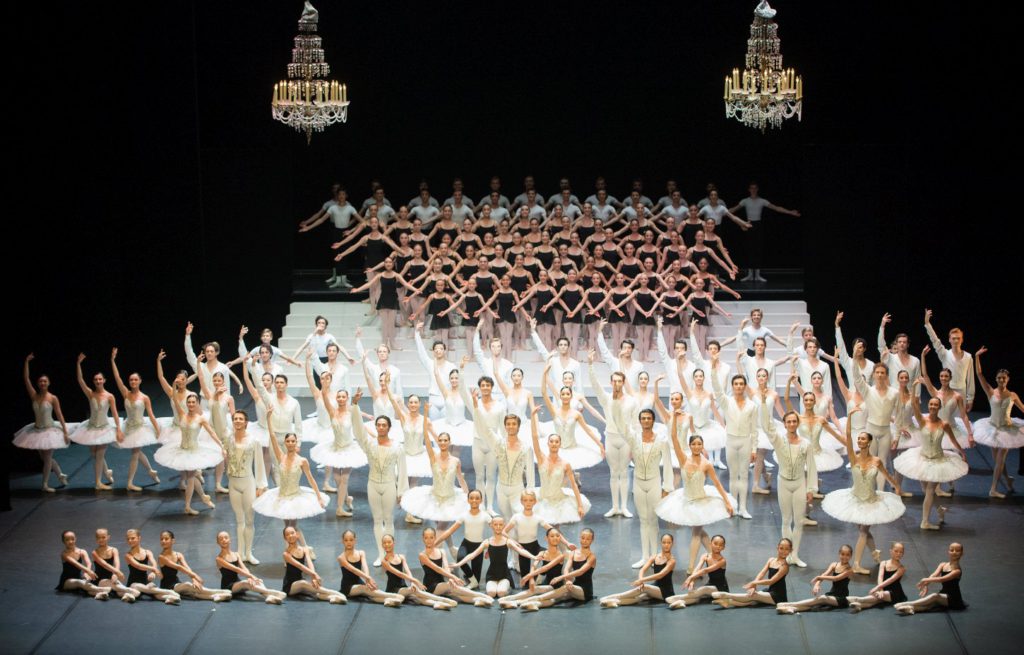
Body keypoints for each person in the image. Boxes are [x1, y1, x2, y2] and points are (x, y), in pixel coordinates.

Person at [821, 409, 905, 574]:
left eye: (863, 439)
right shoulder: (854, 457)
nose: (859, 441)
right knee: (863, 530)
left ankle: (857, 563)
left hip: (871, 501)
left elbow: (886, 475)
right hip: (855, 499)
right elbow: (848, 437)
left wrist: (896, 486)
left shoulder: (876, 461)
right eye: (858, 438)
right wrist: (850, 417)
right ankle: (875, 552)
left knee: (863, 531)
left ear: (868, 442)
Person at [657, 420, 735, 574]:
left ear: (702, 446)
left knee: (696, 533)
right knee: (698, 531)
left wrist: (727, 502)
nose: (697, 447)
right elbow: (674, 438)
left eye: (700, 444)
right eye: (694, 444)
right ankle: (713, 558)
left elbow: (718, 484)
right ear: (690, 445)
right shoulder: (683, 459)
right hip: (686, 500)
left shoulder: (707, 464)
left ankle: (691, 568)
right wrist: (673, 417)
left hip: (701, 501)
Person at [252, 411, 328, 552]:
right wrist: (268, 418)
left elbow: (311, 480)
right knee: (287, 528)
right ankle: (295, 549)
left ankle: (302, 549)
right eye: (288, 441)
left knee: (292, 527)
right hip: (282, 496)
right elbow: (273, 436)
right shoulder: (281, 457)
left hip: (294, 497)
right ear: (285, 443)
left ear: (296, 442)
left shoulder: (302, 461)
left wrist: (319, 497)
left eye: (293, 441)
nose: (290, 443)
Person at [893, 397, 968, 529]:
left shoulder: (944, 424)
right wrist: (915, 387)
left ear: (939, 407)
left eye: (936, 405)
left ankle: (925, 522)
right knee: (926, 490)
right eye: (931, 404)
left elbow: (953, 439)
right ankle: (939, 510)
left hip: (938, 460)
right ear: (928, 406)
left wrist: (962, 452)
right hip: (922, 459)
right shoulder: (922, 420)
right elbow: (915, 405)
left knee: (929, 490)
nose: (933, 406)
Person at [761, 392, 815, 568]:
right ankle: (787, 555)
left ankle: (795, 555)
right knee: (786, 520)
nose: (791, 424)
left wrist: (810, 490)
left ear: (797, 423)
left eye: (794, 421)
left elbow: (812, 467)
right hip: (783, 482)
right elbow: (766, 426)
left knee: (798, 521)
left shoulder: (806, 443)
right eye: (788, 421)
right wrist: (763, 403)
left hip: (799, 483)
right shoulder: (778, 440)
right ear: (784, 424)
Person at [153, 387, 223, 515]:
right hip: (182, 450)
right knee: (192, 476)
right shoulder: (182, 414)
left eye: (193, 402)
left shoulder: (200, 419)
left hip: (193, 451)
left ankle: (187, 506)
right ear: (186, 404)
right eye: (189, 402)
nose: (191, 404)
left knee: (191, 477)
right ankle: (203, 497)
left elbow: (212, 433)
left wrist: (221, 446)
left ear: (197, 404)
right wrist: (174, 386)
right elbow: (174, 398)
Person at [353, 400, 408, 566]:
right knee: (377, 520)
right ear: (376, 427)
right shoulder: (369, 445)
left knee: (389, 519)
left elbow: (403, 470)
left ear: (389, 427)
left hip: (390, 484)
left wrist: (401, 492)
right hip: (373, 484)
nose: (381, 427)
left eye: (384, 425)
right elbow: (358, 431)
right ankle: (381, 554)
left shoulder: (397, 447)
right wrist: (355, 406)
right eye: (379, 425)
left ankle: (390, 554)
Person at [589, 352, 638, 517]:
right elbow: (595, 385)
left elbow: (635, 424)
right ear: (611, 382)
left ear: (623, 382)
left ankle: (624, 507)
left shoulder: (632, 401)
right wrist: (590, 366)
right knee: (613, 472)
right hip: (611, 438)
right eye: (614, 381)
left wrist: (634, 445)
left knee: (623, 472)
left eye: (620, 381)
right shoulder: (606, 399)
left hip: (625, 440)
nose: (617, 383)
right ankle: (615, 506)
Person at [15, 354, 72, 491]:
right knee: (45, 458)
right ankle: (60, 474)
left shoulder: (53, 398)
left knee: (47, 459)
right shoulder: (34, 396)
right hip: (36, 430)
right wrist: (26, 362)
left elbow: (59, 414)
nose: (42, 383)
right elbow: (26, 378)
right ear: (38, 384)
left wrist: (65, 431)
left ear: (49, 383)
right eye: (40, 381)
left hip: (49, 430)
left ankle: (45, 484)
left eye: (45, 381)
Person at [309, 385, 368, 518]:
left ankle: (339, 508)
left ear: (347, 398)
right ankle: (347, 499)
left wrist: (355, 401)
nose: (341, 399)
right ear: (336, 398)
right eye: (339, 397)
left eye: (343, 397)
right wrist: (323, 385)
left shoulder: (351, 412)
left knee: (345, 478)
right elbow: (324, 397)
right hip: (335, 449)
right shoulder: (332, 412)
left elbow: (360, 422)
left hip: (349, 449)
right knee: (337, 479)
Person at [399, 429, 470, 540]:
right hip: (434, 499)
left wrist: (468, 496)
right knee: (440, 528)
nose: (442, 442)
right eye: (440, 440)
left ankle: (437, 552)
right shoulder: (433, 457)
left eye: (445, 440)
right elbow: (427, 440)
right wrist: (426, 414)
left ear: (449, 442)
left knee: (440, 529)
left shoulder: (456, 461)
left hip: (450, 499)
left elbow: (461, 480)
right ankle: (448, 549)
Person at [709, 362, 758, 519]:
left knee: (743, 475)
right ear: (732, 386)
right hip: (731, 441)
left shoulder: (752, 405)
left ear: (744, 386)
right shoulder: (726, 401)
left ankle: (743, 508)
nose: (738, 386)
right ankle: (733, 506)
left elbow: (754, 429)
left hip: (745, 441)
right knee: (733, 475)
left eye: (741, 384)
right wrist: (712, 369)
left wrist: (754, 449)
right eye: (736, 384)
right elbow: (717, 389)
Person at [973, 348, 1024, 497]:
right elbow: (979, 374)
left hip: (1007, 430)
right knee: (998, 462)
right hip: (992, 429)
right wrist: (977, 357)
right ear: (996, 379)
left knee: (1000, 461)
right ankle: (1008, 479)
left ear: (1008, 379)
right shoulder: (990, 391)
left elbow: (1022, 408)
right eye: (999, 378)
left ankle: (993, 489)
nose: (1001, 380)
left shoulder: (1013, 395)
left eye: (1004, 378)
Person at [108, 349, 161, 491]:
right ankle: (151, 471)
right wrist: (113, 360)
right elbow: (117, 377)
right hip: (128, 426)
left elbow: (151, 414)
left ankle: (130, 482)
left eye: (135, 379)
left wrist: (157, 429)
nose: (133, 381)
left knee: (135, 453)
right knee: (137, 452)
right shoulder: (125, 393)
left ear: (140, 381)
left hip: (139, 428)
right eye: (131, 380)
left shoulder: (145, 398)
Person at [69, 353, 122, 490]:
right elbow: (80, 380)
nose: (98, 381)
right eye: (95, 379)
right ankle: (106, 472)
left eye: (100, 379)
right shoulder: (90, 393)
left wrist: (118, 429)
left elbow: (115, 413)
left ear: (104, 380)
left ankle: (98, 482)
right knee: (94, 454)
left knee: (99, 455)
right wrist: (78, 364)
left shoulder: (110, 396)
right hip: (91, 428)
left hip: (104, 428)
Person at [539, 362, 605, 471]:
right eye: (563, 395)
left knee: (569, 471)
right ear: (560, 396)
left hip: (573, 430)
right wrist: (545, 372)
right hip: (559, 433)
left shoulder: (577, 407)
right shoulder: (554, 410)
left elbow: (588, 430)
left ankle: (573, 477)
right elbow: (544, 392)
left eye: (567, 395)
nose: (565, 396)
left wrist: (600, 445)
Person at [530, 407, 590, 525]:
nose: (553, 444)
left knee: (556, 530)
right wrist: (533, 417)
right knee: (545, 528)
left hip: (558, 501)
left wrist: (580, 505)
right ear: (548, 444)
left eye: (556, 442)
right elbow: (534, 437)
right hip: (542, 500)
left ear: (559, 444)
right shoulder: (541, 458)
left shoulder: (565, 464)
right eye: (551, 441)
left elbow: (573, 485)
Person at [729, 183, 800, 282]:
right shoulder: (745, 201)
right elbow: (733, 209)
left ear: (757, 189)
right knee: (750, 249)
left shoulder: (762, 201)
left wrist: (790, 212)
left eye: (755, 188)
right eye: (751, 188)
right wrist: (720, 212)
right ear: (749, 189)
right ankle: (750, 274)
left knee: (758, 249)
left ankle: (757, 275)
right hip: (748, 225)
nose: (753, 190)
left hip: (758, 225)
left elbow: (776, 207)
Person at [223, 409, 268, 563]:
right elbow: (228, 460)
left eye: (241, 419)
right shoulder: (229, 439)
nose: (237, 421)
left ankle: (248, 553)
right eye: (235, 419)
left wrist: (261, 485)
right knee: (239, 519)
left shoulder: (253, 441)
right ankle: (240, 553)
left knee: (249, 520)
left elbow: (260, 463)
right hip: (233, 482)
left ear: (246, 422)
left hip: (248, 482)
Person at [515, 527, 597, 612]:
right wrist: (568, 579)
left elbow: (580, 571)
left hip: (585, 591)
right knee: (557, 598)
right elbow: (566, 569)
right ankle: (535, 604)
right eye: (583, 538)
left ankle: (532, 599)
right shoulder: (573, 553)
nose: (585, 541)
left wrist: (561, 578)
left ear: (592, 540)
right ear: (579, 538)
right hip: (573, 586)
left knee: (565, 587)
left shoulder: (592, 557)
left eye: (588, 539)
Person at [453, 515, 536, 598]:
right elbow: (472, 555)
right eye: (496, 524)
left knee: (501, 593)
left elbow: (521, 551)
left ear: (504, 525)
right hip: (491, 574)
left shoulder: (507, 541)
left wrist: (533, 557)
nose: (498, 527)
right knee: (491, 593)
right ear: (491, 525)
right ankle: (497, 587)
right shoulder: (487, 542)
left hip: (504, 574)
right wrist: (458, 564)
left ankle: (508, 587)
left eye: (500, 525)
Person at [417, 527, 494, 606]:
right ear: (423, 539)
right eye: (426, 538)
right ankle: (482, 595)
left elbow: (446, 568)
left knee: (456, 593)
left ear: (435, 538)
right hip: (430, 586)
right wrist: (453, 577)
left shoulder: (441, 551)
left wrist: (450, 579)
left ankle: (478, 600)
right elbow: (438, 569)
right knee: (452, 587)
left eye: (431, 537)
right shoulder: (422, 555)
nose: (429, 540)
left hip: (441, 582)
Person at [379, 533, 456, 610]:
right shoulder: (384, 561)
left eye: (389, 542)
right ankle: (443, 600)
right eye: (384, 543)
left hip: (403, 588)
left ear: (394, 543)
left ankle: (436, 604)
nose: (387, 545)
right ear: (382, 545)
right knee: (416, 591)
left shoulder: (401, 557)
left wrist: (412, 583)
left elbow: (408, 571)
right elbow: (399, 574)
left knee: (418, 598)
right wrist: (415, 580)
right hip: (393, 589)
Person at [600, 533, 677, 607]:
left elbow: (660, 575)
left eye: (669, 543)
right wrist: (641, 580)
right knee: (639, 597)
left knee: (645, 588)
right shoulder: (655, 557)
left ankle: (607, 598)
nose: (666, 545)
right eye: (664, 542)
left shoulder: (672, 561)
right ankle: (612, 602)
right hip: (656, 586)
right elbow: (642, 570)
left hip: (666, 591)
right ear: (661, 543)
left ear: (672, 544)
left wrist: (642, 580)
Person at [499, 526, 567, 609]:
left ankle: (516, 602)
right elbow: (533, 565)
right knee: (534, 590)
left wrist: (528, 576)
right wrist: (531, 580)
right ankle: (510, 599)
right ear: (546, 538)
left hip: (556, 585)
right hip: (547, 583)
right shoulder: (542, 553)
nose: (555, 538)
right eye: (552, 536)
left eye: (557, 536)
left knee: (549, 599)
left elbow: (546, 568)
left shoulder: (561, 555)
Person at [711, 538, 791, 608]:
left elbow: (771, 581)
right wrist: (754, 585)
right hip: (770, 590)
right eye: (781, 548)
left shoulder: (784, 567)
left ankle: (726, 595)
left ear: (790, 550)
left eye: (787, 549)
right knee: (752, 600)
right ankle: (728, 602)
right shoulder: (771, 560)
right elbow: (761, 573)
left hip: (778, 596)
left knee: (753, 596)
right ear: (777, 548)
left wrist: (753, 582)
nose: (783, 551)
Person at [776, 545, 854, 614]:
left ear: (851, 556)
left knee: (821, 598)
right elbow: (824, 574)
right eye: (842, 554)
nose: (844, 557)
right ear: (839, 554)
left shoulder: (849, 570)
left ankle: (789, 604)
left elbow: (836, 578)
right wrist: (817, 584)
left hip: (841, 599)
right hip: (832, 594)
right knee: (814, 604)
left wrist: (818, 577)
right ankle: (792, 609)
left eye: (847, 555)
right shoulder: (834, 564)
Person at [157, 530, 232, 602]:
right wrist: (195, 576)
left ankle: (214, 597)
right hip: (167, 586)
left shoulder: (178, 555)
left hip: (177, 583)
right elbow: (178, 567)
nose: (163, 541)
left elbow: (187, 568)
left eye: (166, 539)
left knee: (193, 591)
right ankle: (221, 592)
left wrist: (194, 580)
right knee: (187, 585)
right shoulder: (161, 557)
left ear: (173, 541)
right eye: (161, 539)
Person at [894, 542, 967, 615]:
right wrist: (926, 584)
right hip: (944, 594)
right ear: (948, 551)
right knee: (929, 606)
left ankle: (907, 604)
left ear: (961, 553)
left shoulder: (957, 571)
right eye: (952, 550)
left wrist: (925, 579)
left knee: (935, 596)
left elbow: (941, 579)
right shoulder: (943, 564)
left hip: (953, 599)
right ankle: (911, 609)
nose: (954, 552)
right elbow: (933, 575)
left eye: (957, 551)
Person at [336, 530, 404, 606]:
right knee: (365, 589)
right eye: (346, 540)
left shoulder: (361, 553)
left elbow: (365, 566)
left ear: (355, 540)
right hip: (348, 587)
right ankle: (395, 596)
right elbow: (353, 570)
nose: (348, 542)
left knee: (372, 592)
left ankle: (388, 600)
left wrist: (367, 580)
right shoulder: (341, 557)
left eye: (351, 540)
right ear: (342, 541)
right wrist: (368, 578)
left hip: (359, 582)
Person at [280, 526, 347, 603]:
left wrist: (313, 578)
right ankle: (337, 594)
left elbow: (310, 563)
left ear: (297, 534)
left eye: (292, 533)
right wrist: (315, 574)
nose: (290, 536)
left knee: (316, 591)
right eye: (287, 534)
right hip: (290, 586)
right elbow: (300, 566)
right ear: (285, 538)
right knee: (304, 584)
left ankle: (333, 598)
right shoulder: (286, 554)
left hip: (300, 580)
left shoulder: (305, 549)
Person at [215, 531, 286, 604]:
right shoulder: (219, 559)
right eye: (221, 539)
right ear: (218, 542)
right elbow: (237, 569)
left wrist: (250, 578)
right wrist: (251, 576)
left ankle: (269, 597)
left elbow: (244, 568)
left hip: (237, 583)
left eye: (226, 538)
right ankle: (273, 592)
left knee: (258, 581)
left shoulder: (236, 554)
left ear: (230, 539)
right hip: (228, 586)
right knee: (245, 583)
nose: (224, 540)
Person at [924, 309, 975, 410]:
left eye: (958, 338)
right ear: (949, 339)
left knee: (960, 420)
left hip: (961, 392)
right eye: (954, 338)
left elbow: (970, 379)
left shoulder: (968, 357)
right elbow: (935, 340)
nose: (956, 340)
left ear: (962, 339)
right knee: (944, 419)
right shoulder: (945, 354)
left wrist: (970, 398)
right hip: (947, 391)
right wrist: (927, 323)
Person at [665, 534, 730, 609]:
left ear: (723, 547)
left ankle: (674, 598)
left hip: (721, 588)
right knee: (697, 596)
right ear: (710, 543)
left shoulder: (722, 561)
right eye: (715, 544)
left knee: (702, 590)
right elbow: (697, 568)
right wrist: (692, 580)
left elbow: (705, 570)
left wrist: (690, 578)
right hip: (710, 584)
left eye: (720, 545)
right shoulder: (705, 556)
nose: (718, 546)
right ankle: (681, 602)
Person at [123, 528, 181, 604]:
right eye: (128, 539)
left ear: (139, 538)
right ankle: (169, 592)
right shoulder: (128, 555)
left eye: (132, 538)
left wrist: (153, 572)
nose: (130, 540)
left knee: (155, 594)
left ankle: (169, 598)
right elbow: (138, 565)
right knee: (147, 589)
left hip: (145, 581)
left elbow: (154, 563)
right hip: (133, 583)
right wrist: (153, 569)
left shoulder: (147, 552)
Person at [847, 542, 908, 612]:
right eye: (896, 551)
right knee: (876, 600)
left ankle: (859, 599)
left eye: (901, 552)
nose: (898, 554)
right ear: (891, 551)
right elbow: (880, 577)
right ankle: (860, 605)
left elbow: (891, 579)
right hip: (883, 588)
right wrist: (881, 590)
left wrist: (877, 588)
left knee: (878, 597)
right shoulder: (883, 563)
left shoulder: (901, 568)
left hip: (894, 592)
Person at [415, 322, 457, 421]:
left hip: (446, 398)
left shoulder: (451, 366)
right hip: (433, 399)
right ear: (433, 351)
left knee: (446, 428)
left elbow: (457, 384)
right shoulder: (430, 364)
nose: (438, 351)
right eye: (436, 349)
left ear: (445, 351)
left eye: (441, 349)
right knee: (434, 426)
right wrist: (417, 333)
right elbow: (421, 352)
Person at [55, 530, 112, 600]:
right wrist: (89, 571)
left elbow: (89, 563)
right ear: (63, 541)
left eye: (72, 539)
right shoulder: (64, 554)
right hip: (66, 581)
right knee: (80, 583)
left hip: (78, 577)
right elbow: (76, 564)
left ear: (75, 539)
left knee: (86, 586)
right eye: (67, 540)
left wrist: (86, 573)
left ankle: (99, 594)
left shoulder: (82, 551)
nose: (70, 541)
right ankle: (102, 589)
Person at [91, 528, 140, 602]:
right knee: (119, 587)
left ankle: (126, 595)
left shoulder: (114, 550)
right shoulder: (95, 552)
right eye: (99, 538)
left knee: (118, 589)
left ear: (108, 537)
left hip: (111, 577)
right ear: (96, 539)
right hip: (99, 579)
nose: (101, 540)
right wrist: (117, 572)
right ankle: (132, 592)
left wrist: (115, 574)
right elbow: (104, 564)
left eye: (103, 537)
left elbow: (117, 563)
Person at [877, 313, 921, 394]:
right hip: (894, 397)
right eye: (899, 342)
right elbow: (881, 346)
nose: (902, 344)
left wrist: (917, 398)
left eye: (904, 342)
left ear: (908, 344)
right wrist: (882, 327)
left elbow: (917, 381)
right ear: (896, 344)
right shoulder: (891, 358)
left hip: (909, 398)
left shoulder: (915, 361)